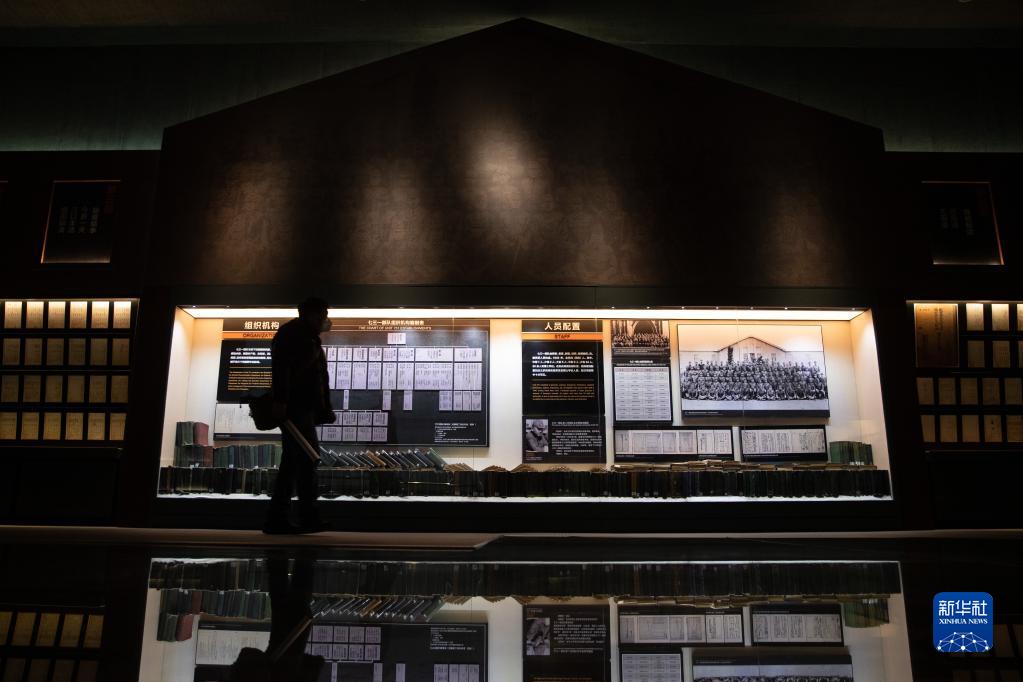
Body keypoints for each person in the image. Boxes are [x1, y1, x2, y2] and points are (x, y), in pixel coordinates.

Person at [263, 297, 335, 534]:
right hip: (296, 408)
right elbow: (282, 370)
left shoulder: (303, 336)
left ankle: (285, 517)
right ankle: (298, 517)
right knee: (305, 460)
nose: (326, 320)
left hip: (301, 408)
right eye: (323, 315)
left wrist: (324, 409)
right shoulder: (294, 335)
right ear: (312, 315)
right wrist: (281, 402)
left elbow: (314, 376)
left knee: (295, 462)